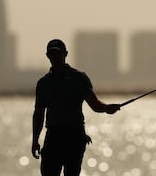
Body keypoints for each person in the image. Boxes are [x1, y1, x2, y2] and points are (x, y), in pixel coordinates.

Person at [31, 39, 121, 176]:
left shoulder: (79, 78)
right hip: (53, 137)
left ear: (65, 54)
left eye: (58, 54)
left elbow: (95, 105)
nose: (55, 57)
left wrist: (107, 108)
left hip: (74, 137)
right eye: (52, 54)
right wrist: (35, 141)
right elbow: (38, 114)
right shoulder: (43, 84)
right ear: (47, 56)